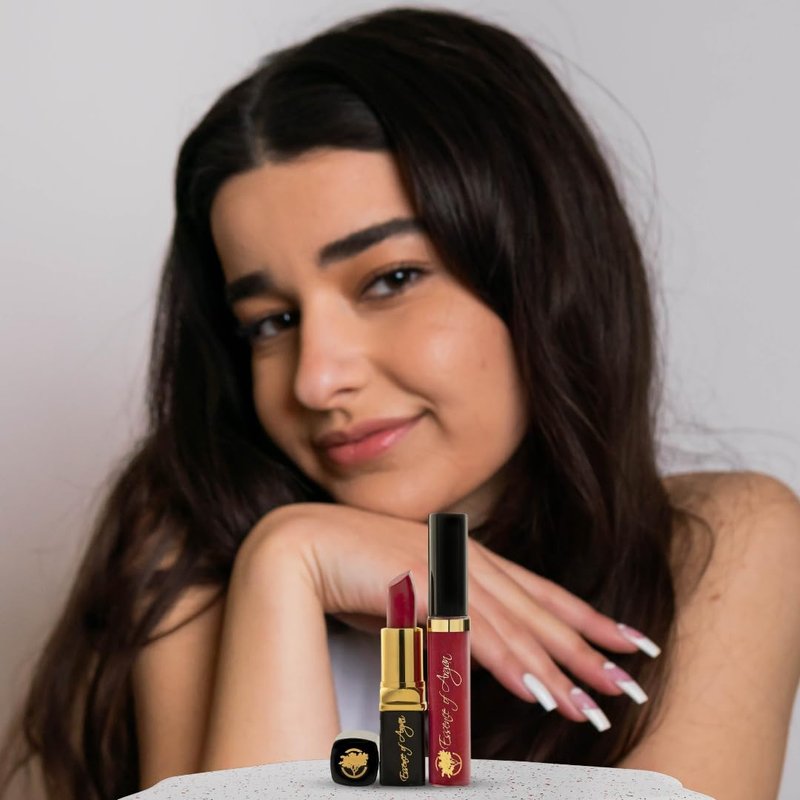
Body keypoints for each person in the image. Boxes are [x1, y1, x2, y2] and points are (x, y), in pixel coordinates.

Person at [2, 7, 799, 800]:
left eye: (390, 280)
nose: (316, 381)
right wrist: (290, 560)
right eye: (271, 323)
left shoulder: (721, 542)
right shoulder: (192, 533)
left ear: (541, 267)